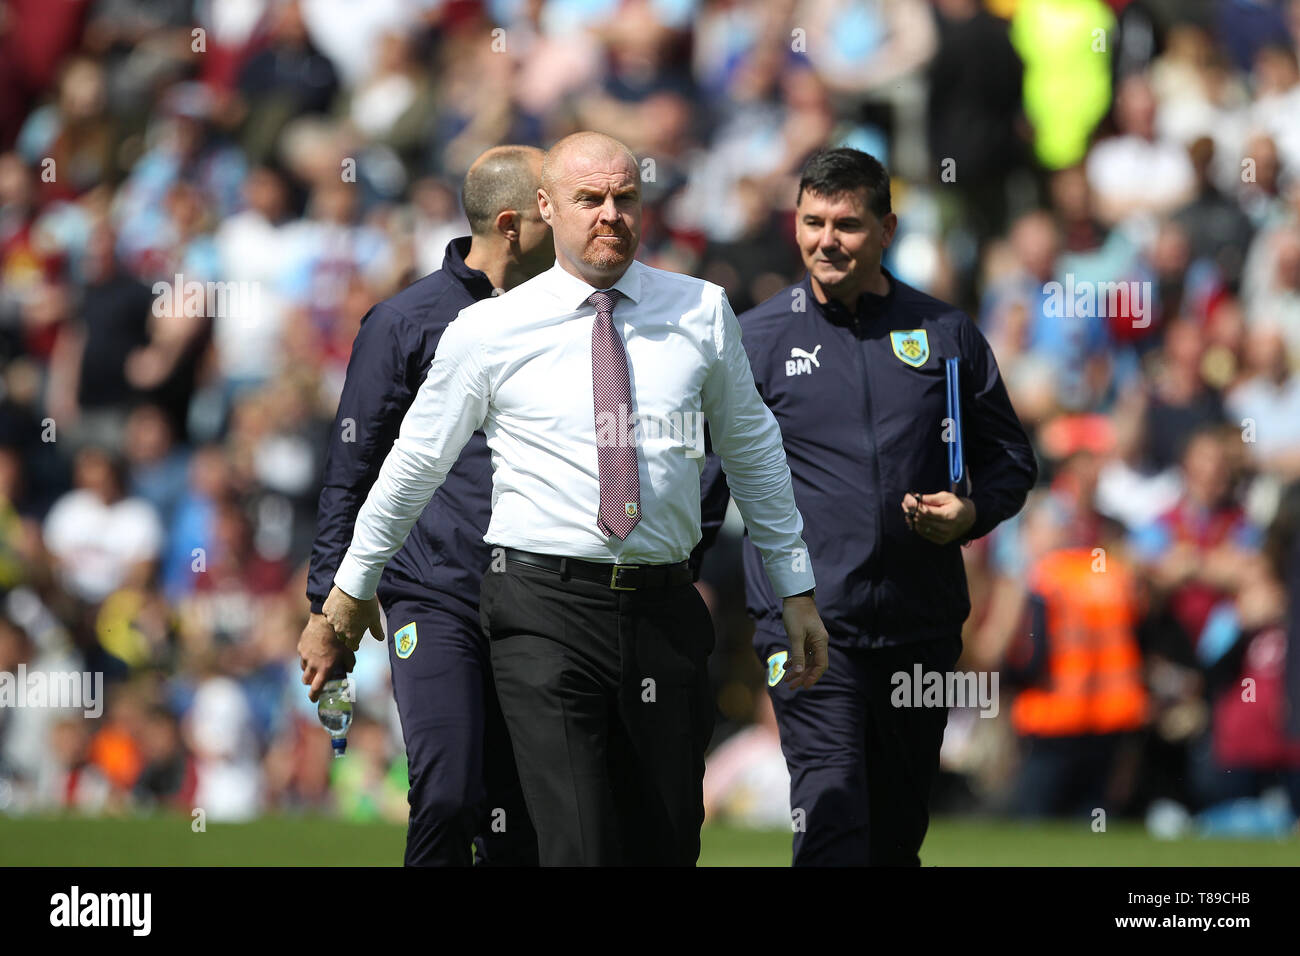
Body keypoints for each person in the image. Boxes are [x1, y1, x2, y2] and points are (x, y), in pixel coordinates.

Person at [322, 131, 830, 866]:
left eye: (625, 198)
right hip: (540, 609)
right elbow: (413, 464)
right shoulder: (488, 330)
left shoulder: (700, 310)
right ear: (545, 207)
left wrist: (796, 589)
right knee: (577, 846)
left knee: (662, 843)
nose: (609, 214)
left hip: (663, 610)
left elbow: (753, 451)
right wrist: (349, 586)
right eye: (588, 199)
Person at [700, 147, 1037, 865]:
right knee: (831, 818)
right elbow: (706, 480)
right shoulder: (755, 340)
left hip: (920, 629)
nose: (827, 239)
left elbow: (1010, 459)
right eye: (813, 221)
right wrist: (670, 583)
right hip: (807, 626)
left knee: (892, 836)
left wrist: (970, 513)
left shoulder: (945, 334)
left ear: (886, 228)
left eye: (847, 224)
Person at [299, 145, 554, 866]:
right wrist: (329, 603)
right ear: (512, 223)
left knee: (521, 818)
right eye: (554, 206)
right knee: (447, 794)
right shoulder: (405, 322)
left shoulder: (570, 318)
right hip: (434, 595)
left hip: (540, 600)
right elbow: (350, 466)